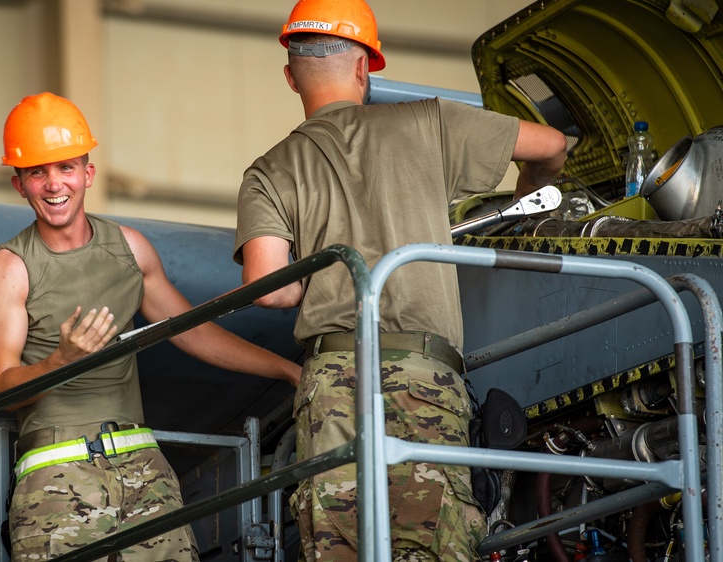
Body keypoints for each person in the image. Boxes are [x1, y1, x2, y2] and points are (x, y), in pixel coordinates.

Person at [232, 1, 568, 560]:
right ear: (367, 68)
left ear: (291, 76)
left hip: (333, 379)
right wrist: (522, 203)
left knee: (342, 543)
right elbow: (552, 146)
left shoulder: (270, 169)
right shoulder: (432, 121)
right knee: (431, 539)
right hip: (425, 371)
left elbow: (271, 289)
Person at [0, 92, 301, 562]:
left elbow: (190, 329)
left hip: (141, 465)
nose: (53, 184)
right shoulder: (8, 268)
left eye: (66, 167)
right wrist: (61, 360)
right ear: (19, 185)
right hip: (55, 474)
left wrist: (287, 372)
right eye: (37, 172)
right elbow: (0, 387)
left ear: (88, 173)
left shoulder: (129, 248)